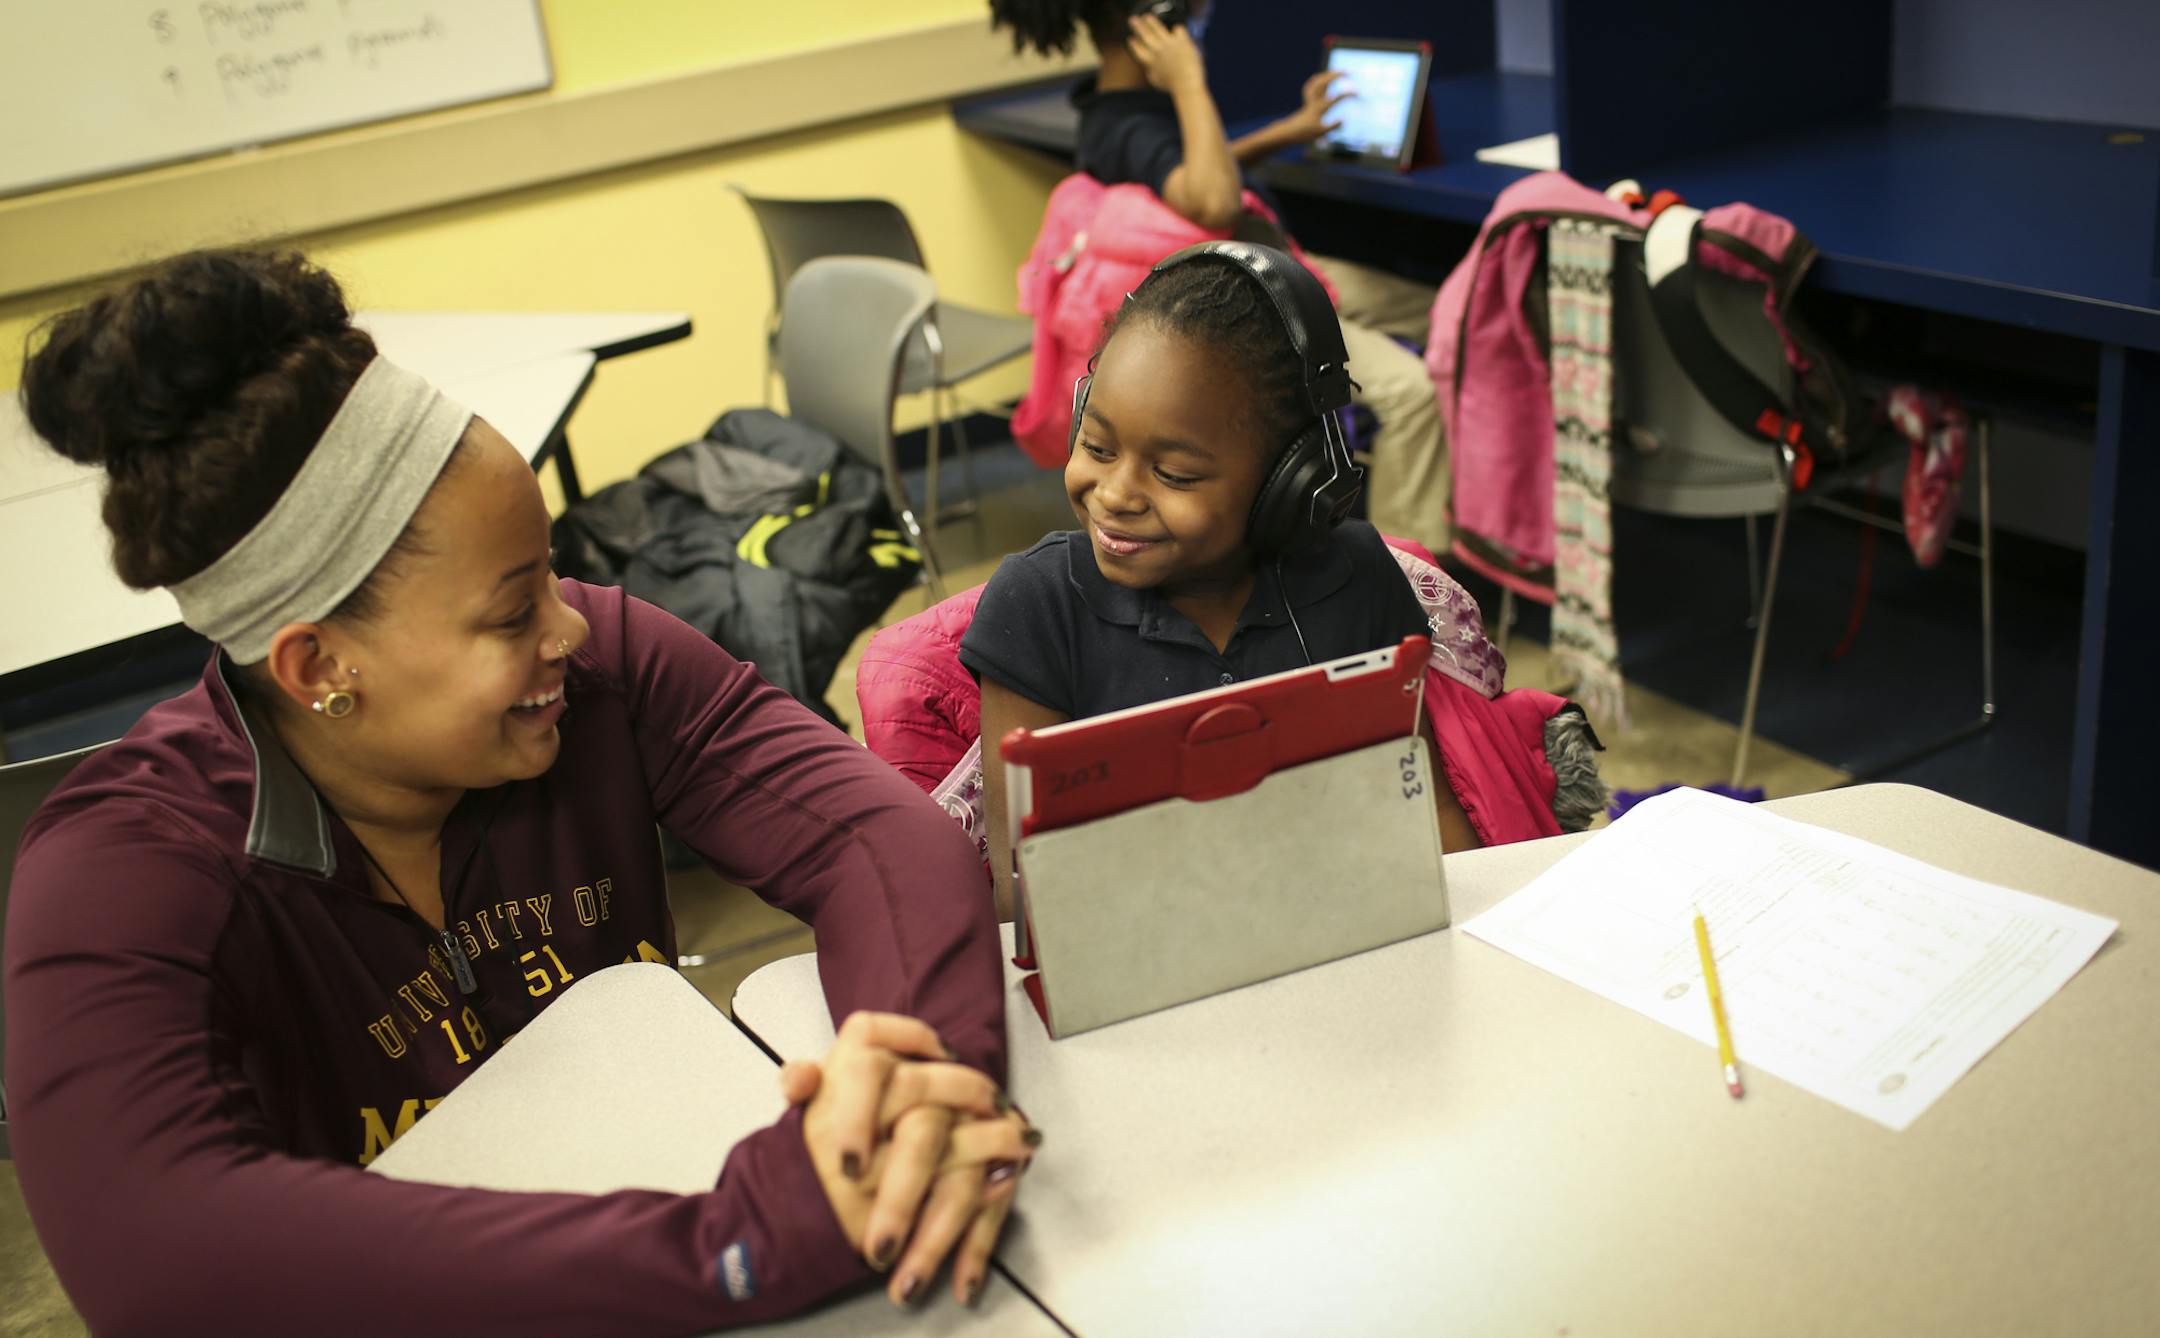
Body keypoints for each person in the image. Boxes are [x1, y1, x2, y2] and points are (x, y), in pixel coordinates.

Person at [5, 249, 1034, 1333]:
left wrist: (920, 1087)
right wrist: (734, 1243)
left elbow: (876, 839)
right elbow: (160, 1254)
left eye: (550, 571)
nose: (574, 624)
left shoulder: (600, 675)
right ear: (318, 668)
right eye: (511, 613)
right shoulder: (121, 875)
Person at [960, 243, 1487, 916]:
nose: (1115, 493)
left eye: (1174, 474)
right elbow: (1023, 897)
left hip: (1348, 938)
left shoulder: (1355, 577)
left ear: (1291, 482)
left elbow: (1427, 813)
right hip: (1133, 976)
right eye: (1096, 447)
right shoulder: (1039, 608)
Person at [988, 0, 1454, 554]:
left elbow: (1180, 171)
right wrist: (1188, 80)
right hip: (1257, 302)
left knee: (1450, 309)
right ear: (1160, 27)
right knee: (1412, 391)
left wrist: (1288, 131)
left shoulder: (1113, 112)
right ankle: (1408, 577)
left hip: (1275, 269)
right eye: (1198, 25)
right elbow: (1214, 198)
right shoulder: (1131, 123)